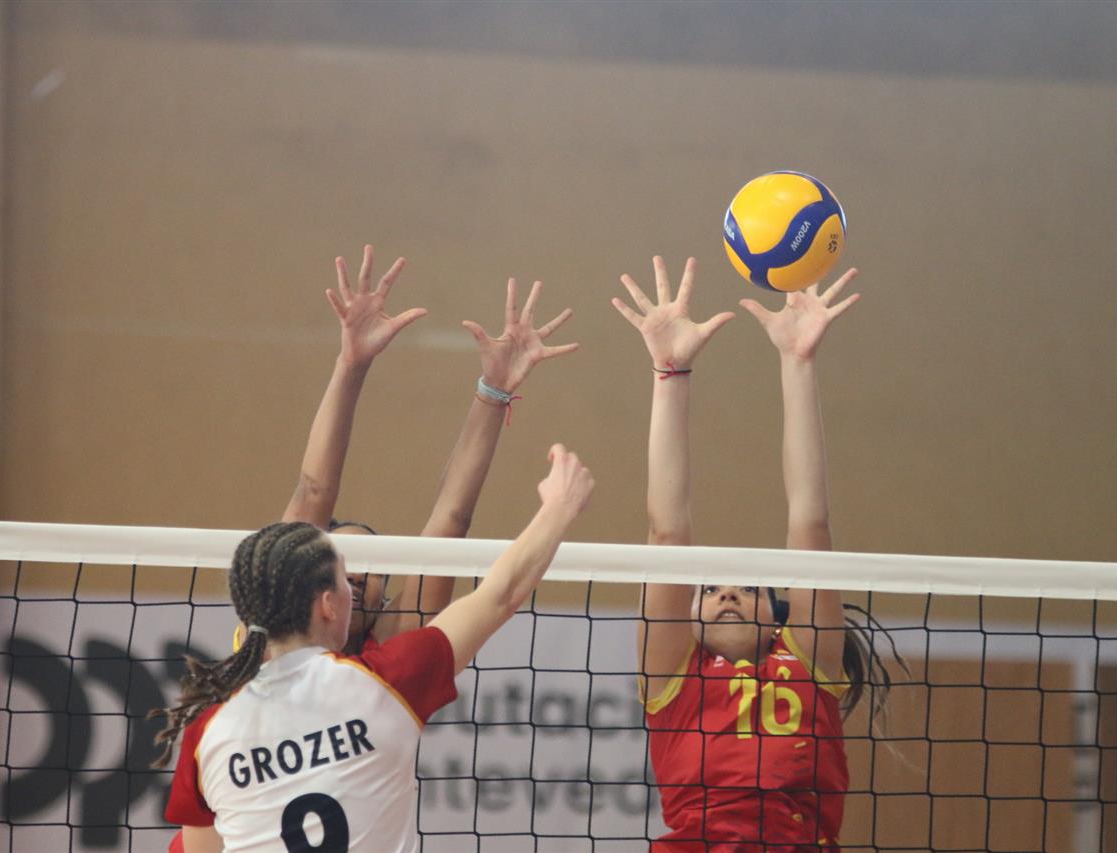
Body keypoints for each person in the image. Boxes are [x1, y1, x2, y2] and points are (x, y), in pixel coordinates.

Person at [153, 444, 594, 853]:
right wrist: (560, 507)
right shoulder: (387, 682)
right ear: (328, 605)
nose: (356, 587)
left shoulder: (208, 729)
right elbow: (501, 594)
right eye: (345, 578)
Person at [614, 257, 894, 851]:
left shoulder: (809, 664)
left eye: (747, 588)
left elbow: (810, 521)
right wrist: (670, 372)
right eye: (710, 589)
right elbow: (667, 532)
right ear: (688, 617)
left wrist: (798, 361)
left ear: (777, 616)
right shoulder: (672, 678)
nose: (728, 594)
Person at [264, 244, 578, 650]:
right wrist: (351, 363)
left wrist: (494, 391)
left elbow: (451, 520)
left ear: (386, 602)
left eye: (372, 569)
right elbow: (314, 491)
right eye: (343, 559)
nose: (356, 576)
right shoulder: (272, 630)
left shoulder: (394, 651)